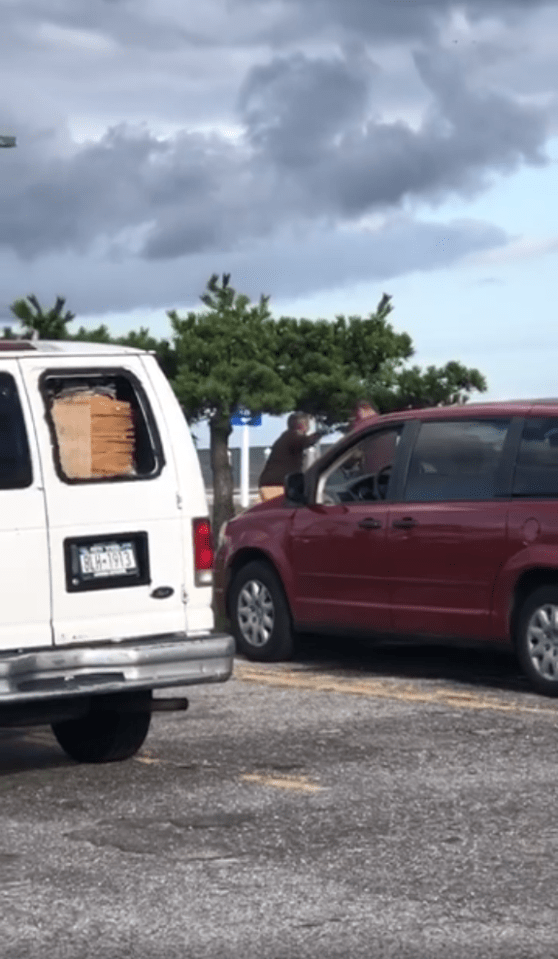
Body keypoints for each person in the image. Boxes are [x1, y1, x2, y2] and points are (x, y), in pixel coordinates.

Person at [258, 413, 324, 501]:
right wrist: (321, 433)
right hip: (277, 484)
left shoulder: (287, 437)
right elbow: (307, 441)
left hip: (273, 483)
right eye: (307, 424)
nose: (308, 427)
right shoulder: (293, 436)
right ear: (302, 425)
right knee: (282, 511)